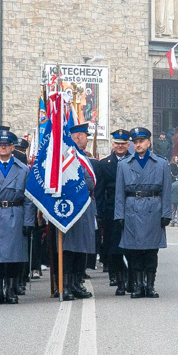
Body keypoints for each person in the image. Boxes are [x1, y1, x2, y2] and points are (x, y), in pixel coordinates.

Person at [0, 130, 35, 305]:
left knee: (13, 255)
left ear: (12, 147)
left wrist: (28, 221)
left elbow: (28, 199)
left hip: (14, 214)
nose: (4, 148)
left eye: (7, 145)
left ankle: (10, 290)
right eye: (1, 145)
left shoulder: (23, 169)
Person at [114, 126, 172, 299]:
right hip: (132, 208)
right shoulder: (124, 165)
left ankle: (150, 285)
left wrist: (166, 213)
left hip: (154, 208)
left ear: (148, 142)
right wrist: (119, 215)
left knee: (151, 252)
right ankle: (138, 285)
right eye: (135, 142)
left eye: (141, 141)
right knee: (135, 251)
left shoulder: (161, 163)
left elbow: (167, 191)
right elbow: (119, 193)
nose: (138, 145)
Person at [60, 123, 96, 300]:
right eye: (85, 136)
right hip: (71, 207)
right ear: (76, 137)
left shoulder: (82, 156)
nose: (87, 139)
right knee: (70, 247)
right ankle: (66, 284)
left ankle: (76, 282)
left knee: (82, 246)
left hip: (85, 207)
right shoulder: (67, 158)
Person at [96, 129, 132, 294]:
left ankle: (132, 278)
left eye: (123, 144)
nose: (120, 146)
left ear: (128, 145)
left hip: (132, 209)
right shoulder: (104, 164)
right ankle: (118, 278)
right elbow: (100, 191)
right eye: (117, 143)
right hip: (111, 210)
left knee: (132, 247)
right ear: (113, 144)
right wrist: (100, 213)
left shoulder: (134, 161)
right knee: (114, 247)